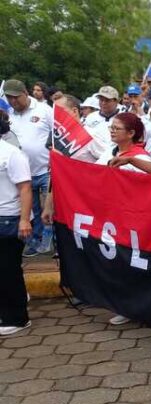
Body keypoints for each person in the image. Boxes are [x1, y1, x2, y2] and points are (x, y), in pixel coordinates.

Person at [95, 112, 151, 325]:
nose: (112, 131)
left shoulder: (141, 158)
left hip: (137, 221)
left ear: (132, 133)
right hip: (115, 219)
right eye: (111, 127)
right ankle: (127, 306)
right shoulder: (109, 151)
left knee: (136, 265)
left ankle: (142, 307)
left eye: (117, 128)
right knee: (121, 264)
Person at [3, 79, 53, 257]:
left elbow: (57, 134)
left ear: (25, 93)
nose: (13, 101)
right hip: (24, 172)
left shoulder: (44, 110)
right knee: (32, 209)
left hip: (46, 168)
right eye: (9, 98)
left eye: (16, 97)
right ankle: (35, 241)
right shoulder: (9, 114)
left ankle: (54, 243)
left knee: (51, 206)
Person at [0, 137, 33, 336]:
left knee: (7, 270)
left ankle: (18, 317)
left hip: (9, 218)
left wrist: (24, 220)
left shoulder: (11, 154)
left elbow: (25, 188)